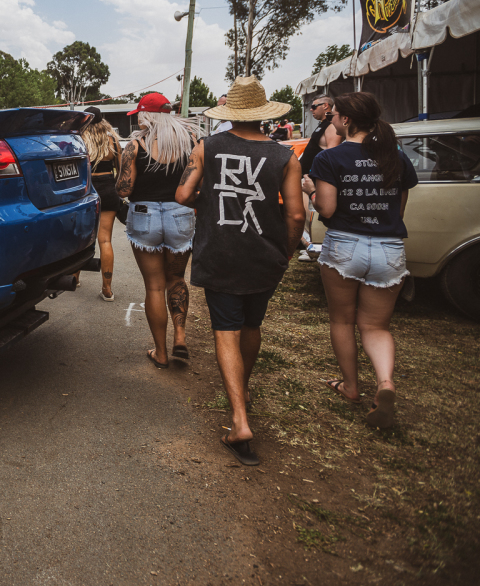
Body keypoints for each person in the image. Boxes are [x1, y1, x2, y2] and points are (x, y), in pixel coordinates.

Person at [176, 76, 305, 466]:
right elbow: (296, 215)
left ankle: (239, 420)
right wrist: (286, 251)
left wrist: (209, 197)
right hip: (264, 255)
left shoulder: (207, 146)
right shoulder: (286, 156)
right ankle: (243, 390)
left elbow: (183, 194)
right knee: (251, 325)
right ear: (264, 114)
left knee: (226, 331)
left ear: (229, 113)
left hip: (220, 252)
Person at [303, 92, 418, 429]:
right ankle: (385, 382)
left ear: (346, 120)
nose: (331, 119)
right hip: (389, 248)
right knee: (376, 326)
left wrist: (311, 190)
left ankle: (350, 386)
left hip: (345, 245)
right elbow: (399, 209)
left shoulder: (329, 158)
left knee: (342, 320)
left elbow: (326, 209)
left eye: (334, 114)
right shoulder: (396, 157)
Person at [116, 92, 201, 368]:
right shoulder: (191, 141)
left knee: (154, 286)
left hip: (144, 216)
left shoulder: (136, 145)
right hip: (181, 214)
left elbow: (124, 189)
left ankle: (161, 353)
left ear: (147, 115)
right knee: (176, 278)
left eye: (139, 115)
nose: (138, 120)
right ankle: (180, 337)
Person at [81, 118, 122, 301]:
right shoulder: (112, 140)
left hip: (86, 190)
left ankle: (75, 278)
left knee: (82, 238)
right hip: (108, 188)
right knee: (105, 240)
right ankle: (107, 289)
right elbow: (120, 171)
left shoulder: (81, 140)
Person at [297, 95, 343, 261]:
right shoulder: (322, 125)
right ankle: (310, 244)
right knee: (304, 213)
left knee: (311, 214)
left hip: (314, 179)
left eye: (314, 106)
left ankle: (314, 246)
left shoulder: (331, 126)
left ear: (325, 106)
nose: (311, 109)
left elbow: (331, 153)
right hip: (307, 176)